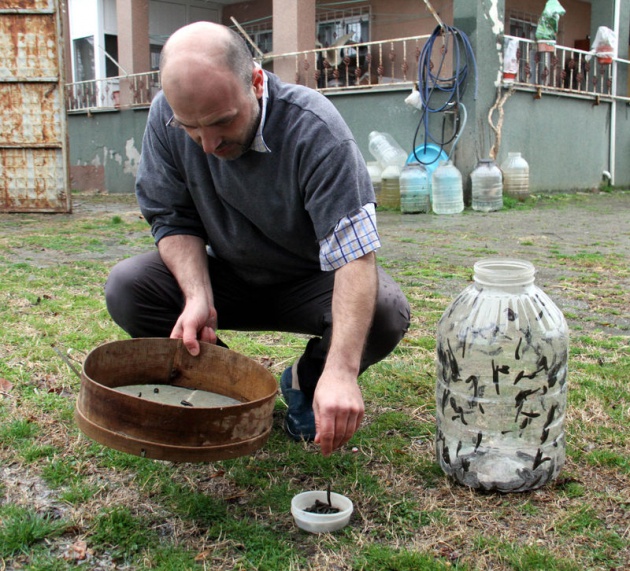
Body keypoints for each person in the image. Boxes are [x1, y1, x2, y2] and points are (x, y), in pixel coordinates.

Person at [105, 21, 410, 457]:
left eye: (222, 123)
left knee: (384, 312)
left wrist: (342, 371)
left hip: (309, 280)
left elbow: (354, 257)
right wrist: (196, 296)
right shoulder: (164, 116)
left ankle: (307, 381)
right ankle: (236, 388)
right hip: (227, 273)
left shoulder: (317, 130)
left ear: (256, 81)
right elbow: (172, 219)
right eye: (191, 128)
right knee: (128, 287)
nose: (207, 145)